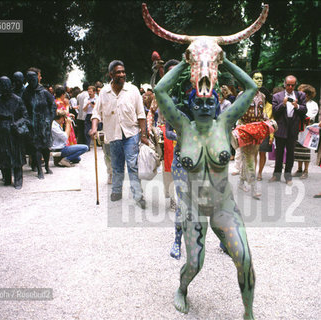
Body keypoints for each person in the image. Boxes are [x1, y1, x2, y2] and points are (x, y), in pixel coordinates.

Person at [154, 55, 257, 318]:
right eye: (197, 102)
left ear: (216, 105)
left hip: (224, 206)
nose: (203, 106)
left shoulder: (224, 124)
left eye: (209, 101)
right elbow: (159, 90)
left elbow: (251, 88)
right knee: (194, 264)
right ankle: (182, 288)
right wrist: (184, 64)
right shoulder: (183, 127)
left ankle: (248, 312)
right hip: (193, 206)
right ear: (189, 105)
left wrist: (224, 63)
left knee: (244, 258)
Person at [90, 60, 147, 209]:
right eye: (118, 72)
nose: (122, 74)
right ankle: (116, 191)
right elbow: (96, 113)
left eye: (123, 72)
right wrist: (94, 128)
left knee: (133, 165)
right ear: (111, 75)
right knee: (116, 166)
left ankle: (138, 195)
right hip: (113, 135)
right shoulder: (104, 92)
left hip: (131, 134)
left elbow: (141, 114)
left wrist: (144, 134)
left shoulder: (133, 90)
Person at [0, 76, 29, 189]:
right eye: (2, 86)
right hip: (1, 131)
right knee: (3, 154)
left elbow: (25, 115)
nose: (5, 88)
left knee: (16, 155)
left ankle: (18, 179)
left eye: (7, 85)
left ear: (10, 86)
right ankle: (7, 177)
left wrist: (17, 124)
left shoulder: (17, 99)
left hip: (14, 131)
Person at [270, 75, 307, 185]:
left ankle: (288, 176)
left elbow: (304, 110)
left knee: (290, 154)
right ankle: (276, 175)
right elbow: (274, 112)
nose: (290, 87)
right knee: (279, 153)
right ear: (284, 84)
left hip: (293, 127)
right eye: (288, 85)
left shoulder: (300, 95)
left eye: (292, 85)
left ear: (295, 85)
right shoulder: (277, 96)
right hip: (281, 127)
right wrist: (283, 103)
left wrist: (297, 106)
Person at [22, 68, 56, 179]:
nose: (32, 81)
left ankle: (46, 166)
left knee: (46, 147)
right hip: (33, 124)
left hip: (45, 124)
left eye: (34, 79)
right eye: (30, 80)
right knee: (36, 147)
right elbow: (23, 108)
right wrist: (27, 120)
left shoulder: (44, 92)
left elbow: (53, 105)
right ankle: (39, 170)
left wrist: (50, 119)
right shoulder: (26, 93)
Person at [237, 70, 266, 199]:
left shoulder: (263, 96)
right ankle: (254, 187)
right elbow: (236, 111)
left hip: (257, 130)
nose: (259, 81)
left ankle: (241, 182)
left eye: (261, 79)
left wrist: (266, 121)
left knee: (250, 156)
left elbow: (262, 113)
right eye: (256, 78)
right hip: (245, 130)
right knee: (249, 158)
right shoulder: (242, 95)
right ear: (250, 80)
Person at [293, 84, 319, 179]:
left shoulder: (313, 104)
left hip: (308, 130)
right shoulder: (298, 103)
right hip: (297, 129)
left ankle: (306, 170)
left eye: (305, 94)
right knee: (298, 150)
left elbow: (309, 116)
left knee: (306, 150)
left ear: (309, 95)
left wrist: (299, 112)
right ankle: (299, 169)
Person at [257, 86, 274, 181]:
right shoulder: (253, 104)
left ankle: (259, 173)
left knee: (262, 153)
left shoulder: (270, 106)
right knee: (253, 153)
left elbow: (272, 121)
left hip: (265, 132)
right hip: (254, 131)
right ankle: (252, 172)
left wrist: (271, 136)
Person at [83, 85, 96, 150]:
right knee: (87, 131)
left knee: (96, 130)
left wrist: (92, 104)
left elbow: (97, 108)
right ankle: (88, 146)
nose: (89, 93)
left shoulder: (97, 98)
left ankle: (98, 143)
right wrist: (87, 104)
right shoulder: (86, 99)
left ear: (94, 92)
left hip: (94, 115)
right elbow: (84, 109)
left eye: (90, 91)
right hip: (88, 115)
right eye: (88, 91)